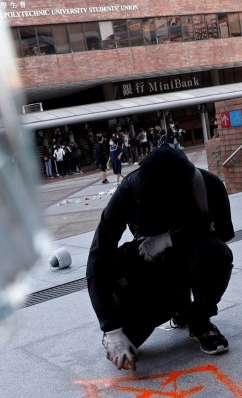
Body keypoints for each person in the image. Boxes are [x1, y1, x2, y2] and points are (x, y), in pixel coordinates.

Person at [86, 146, 234, 372]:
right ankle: (174, 307)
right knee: (129, 341)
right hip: (150, 265)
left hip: (189, 255)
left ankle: (199, 319)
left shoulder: (207, 186)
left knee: (216, 253)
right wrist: (111, 328)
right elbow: (99, 256)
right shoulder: (129, 192)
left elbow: (224, 233)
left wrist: (171, 239)